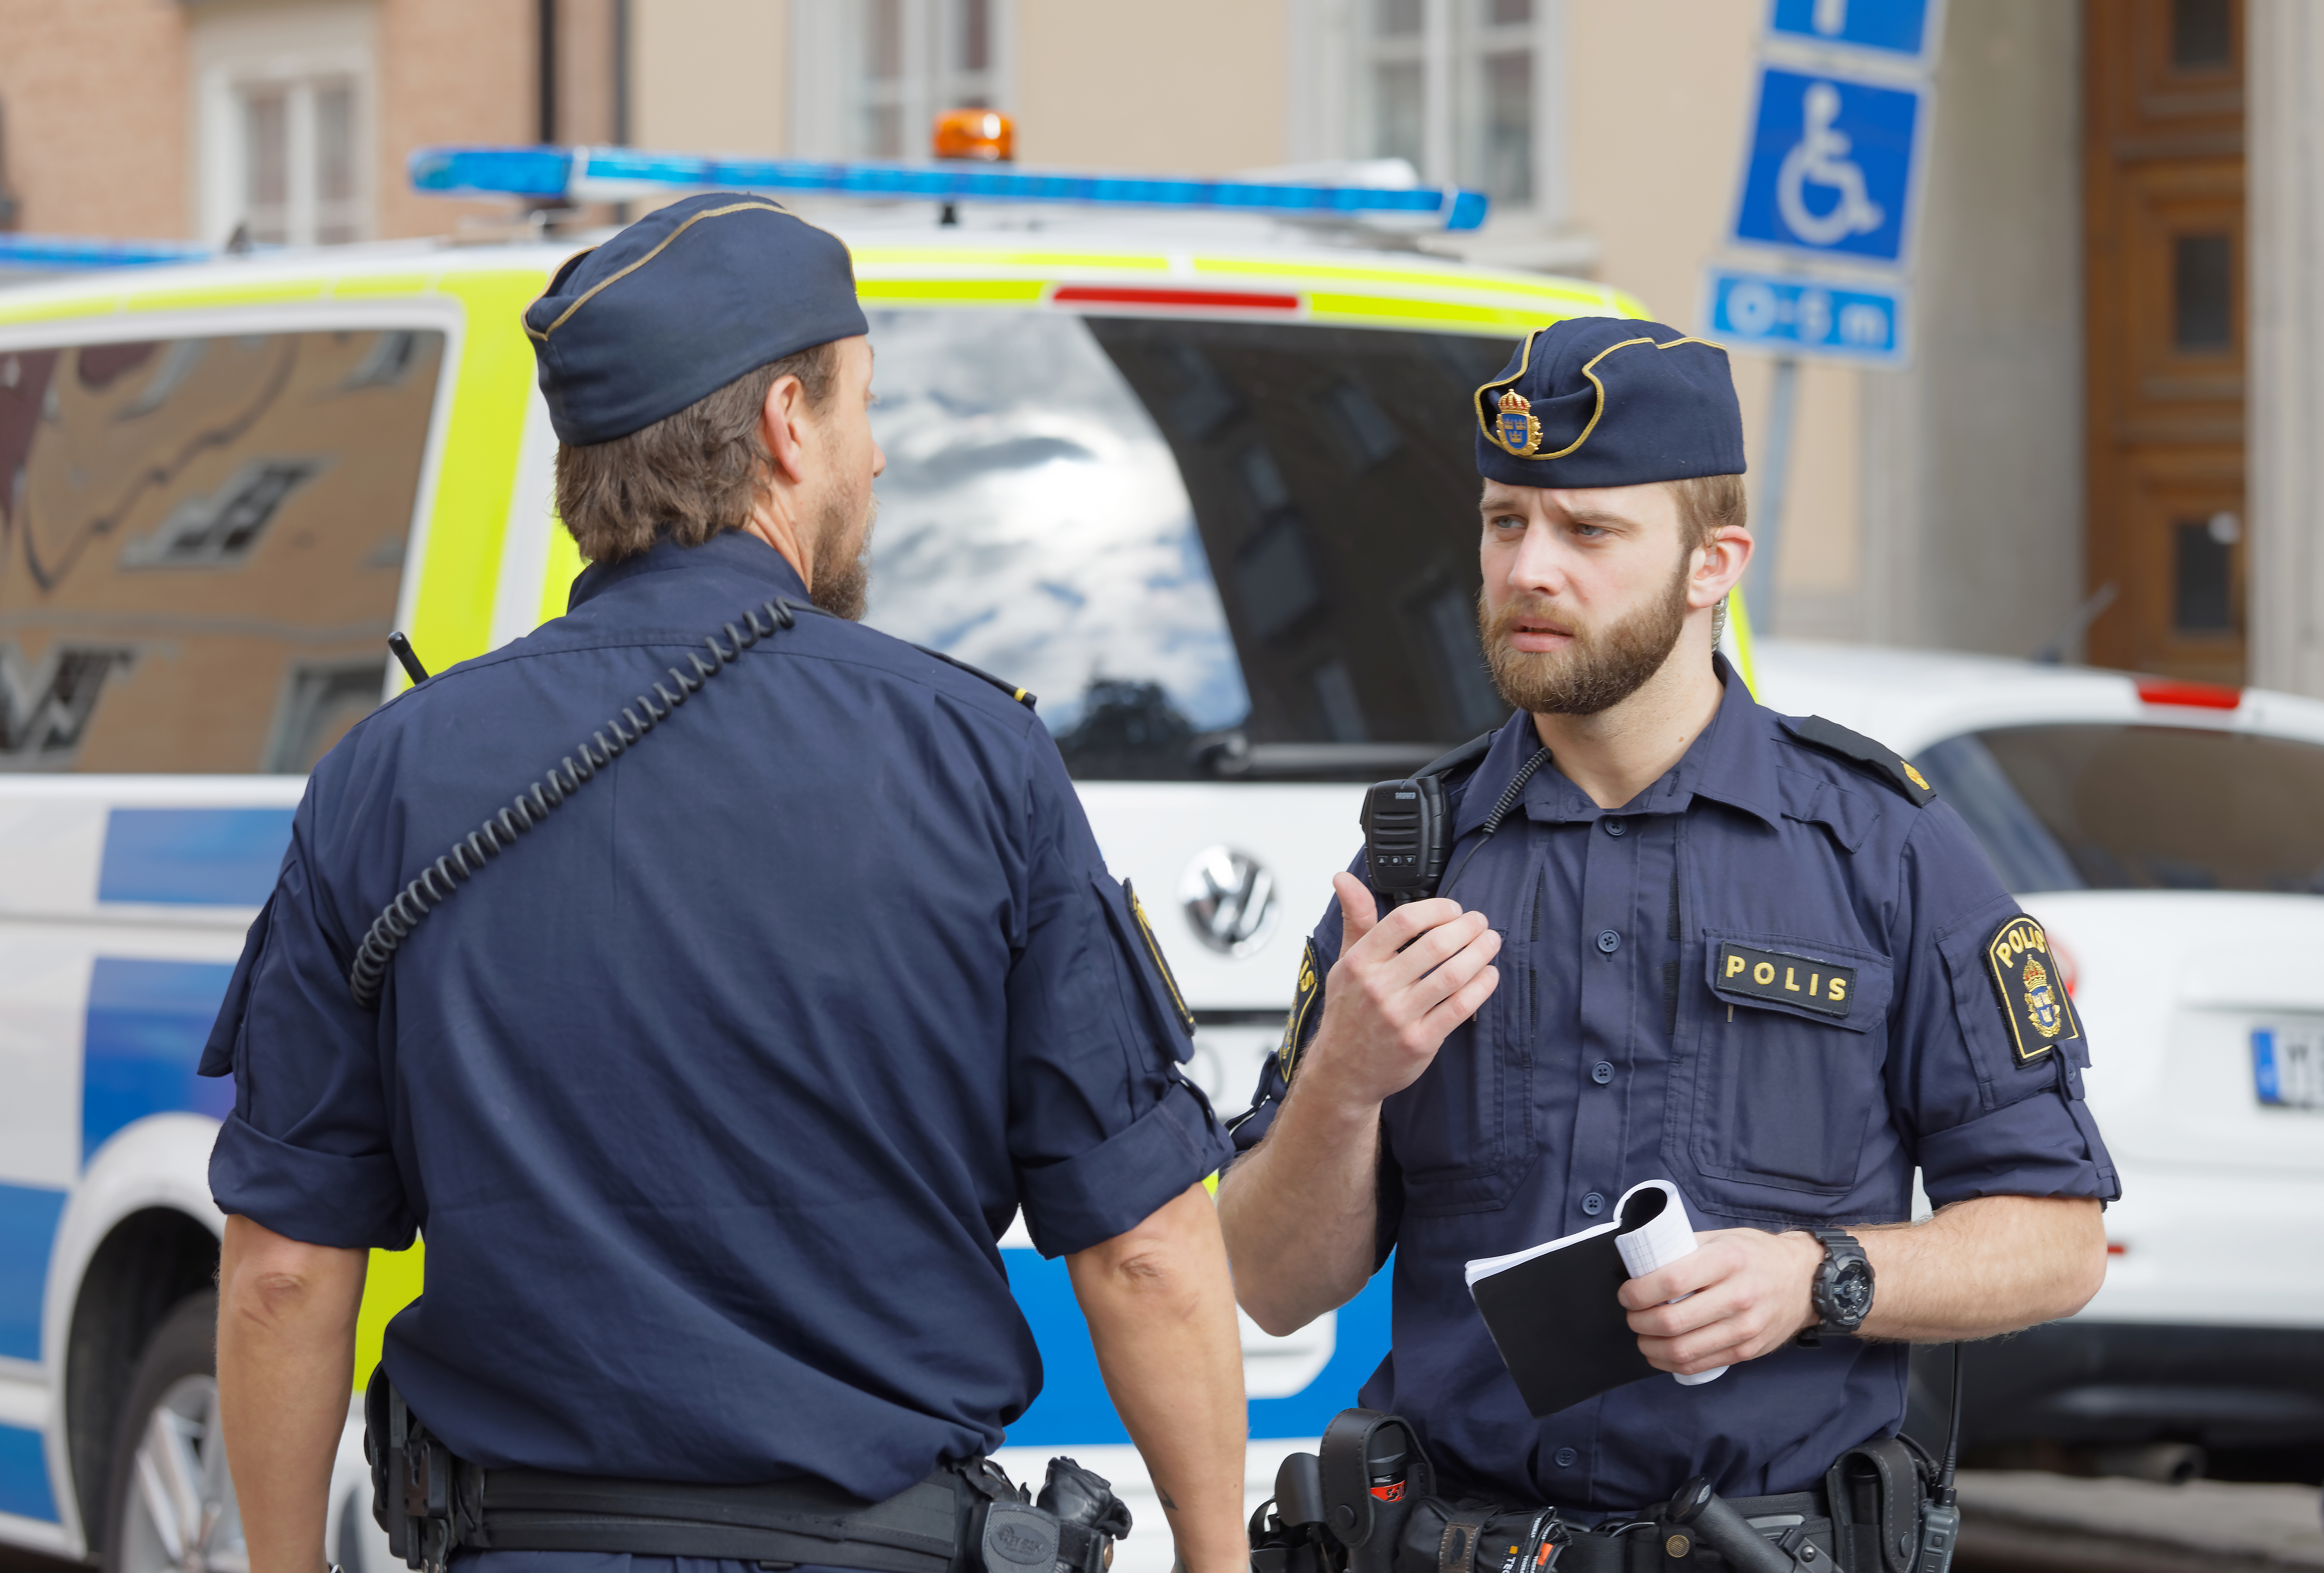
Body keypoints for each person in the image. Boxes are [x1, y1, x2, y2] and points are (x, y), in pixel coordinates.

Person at [201, 194, 1249, 1573]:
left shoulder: (386, 777)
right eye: (863, 406)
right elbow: (1149, 1253)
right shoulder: (974, 757)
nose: (874, 461)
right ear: (786, 426)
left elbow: (284, 1272)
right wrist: (1219, 1553)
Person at [1217, 317, 2115, 1544]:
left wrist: (1819, 1279)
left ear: (1713, 564)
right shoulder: (1413, 863)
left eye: (1590, 531)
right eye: (1505, 523)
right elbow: (1270, 1285)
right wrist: (1345, 1085)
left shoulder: (1885, 851)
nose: (1531, 569)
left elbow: (2058, 1243)